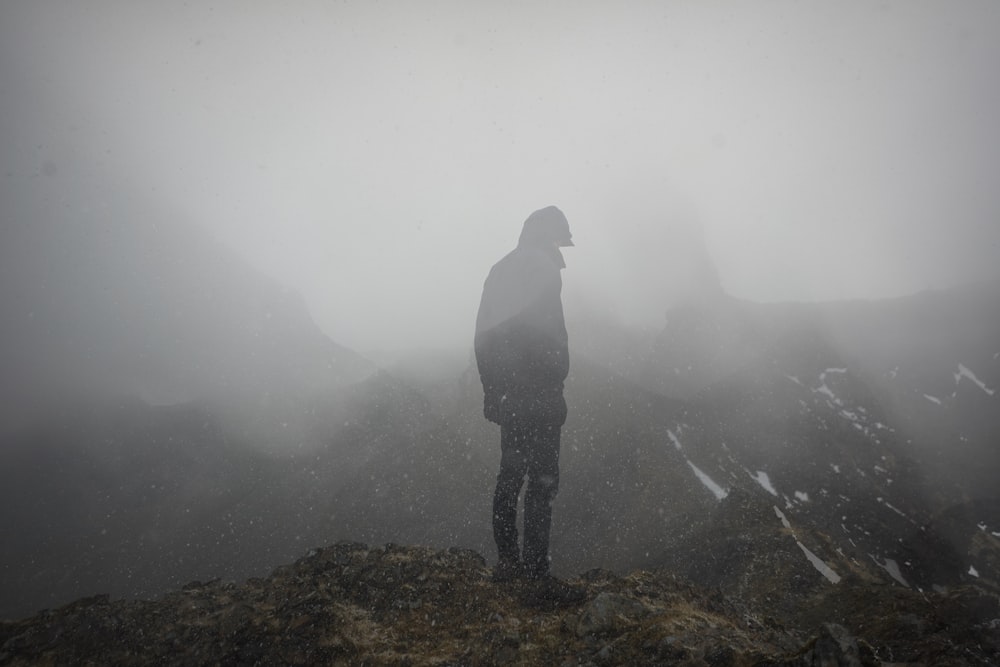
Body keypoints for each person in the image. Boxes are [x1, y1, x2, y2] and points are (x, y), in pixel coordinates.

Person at [474, 206, 583, 604]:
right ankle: (537, 575)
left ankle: (507, 564)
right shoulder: (544, 269)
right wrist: (555, 379)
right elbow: (550, 334)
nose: (561, 247)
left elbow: (482, 334)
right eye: (560, 239)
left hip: (510, 395)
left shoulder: (499, 270)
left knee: (510, 476)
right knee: (542, 483)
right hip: (539, 393)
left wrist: (493, 389)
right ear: (548, 236)